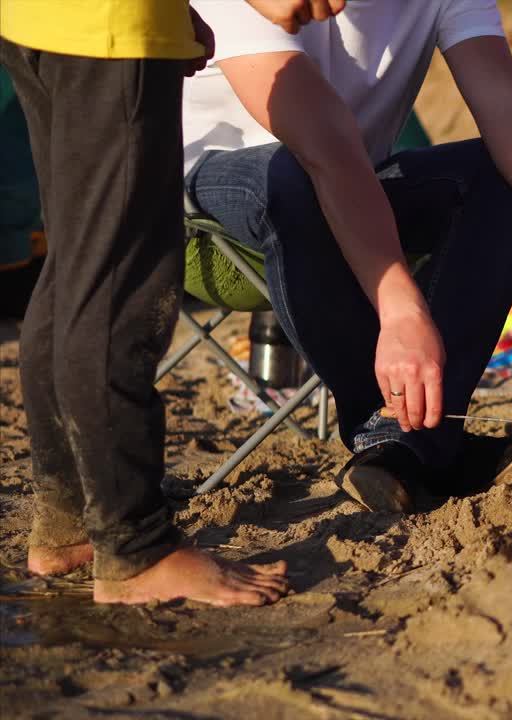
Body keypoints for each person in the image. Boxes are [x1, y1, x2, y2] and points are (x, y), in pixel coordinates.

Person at [182, 1, 512, 512]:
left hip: (351, 184)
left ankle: (411, 441)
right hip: (200, 217)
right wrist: (401, 311)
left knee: (496, 173)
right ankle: (397, 434)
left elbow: (507, 105)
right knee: (292, 175)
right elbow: (323, 145)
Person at [0, 0, 345, 606]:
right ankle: (136, 551)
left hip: (42, 18)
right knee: (118, 286)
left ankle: (72, 522)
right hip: (112, 25)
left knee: (78, 268)